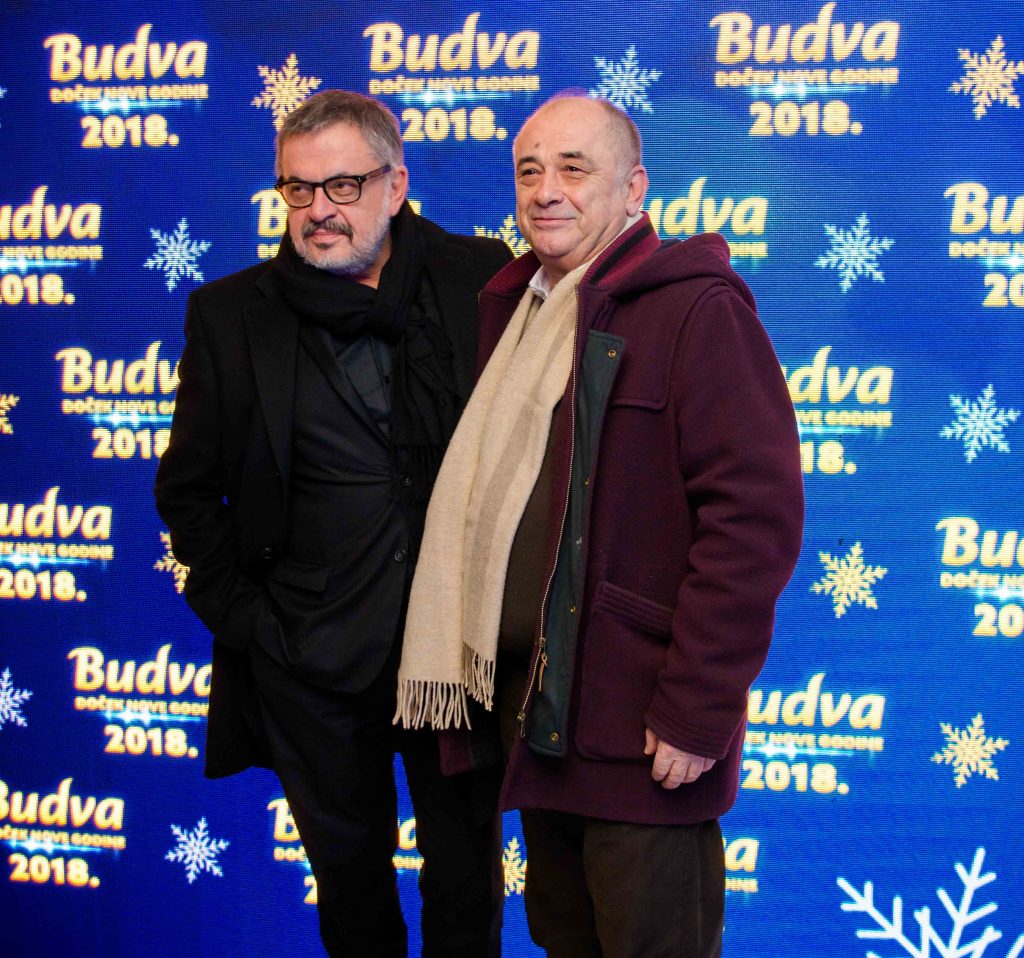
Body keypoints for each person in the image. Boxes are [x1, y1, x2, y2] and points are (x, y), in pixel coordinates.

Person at [395, 94, 804, 957]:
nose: (546, 190)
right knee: (565, 943)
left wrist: (696, 711)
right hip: (537, 725)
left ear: (634, 188)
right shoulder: (520, 312)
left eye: (574, 169)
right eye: (529, 170)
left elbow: (753, 526)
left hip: (642, 735)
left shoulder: (697, 311)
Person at [154, 90, 511, 958]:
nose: (319, 210)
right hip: (310, 658)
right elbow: (188, 492)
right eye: (298, 189)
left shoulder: (479, 276)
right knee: (351, 893)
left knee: (466, 883)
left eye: (343, 186)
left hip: (454, 651)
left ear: (396, 185)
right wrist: (252, 624)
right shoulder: (230, 315)